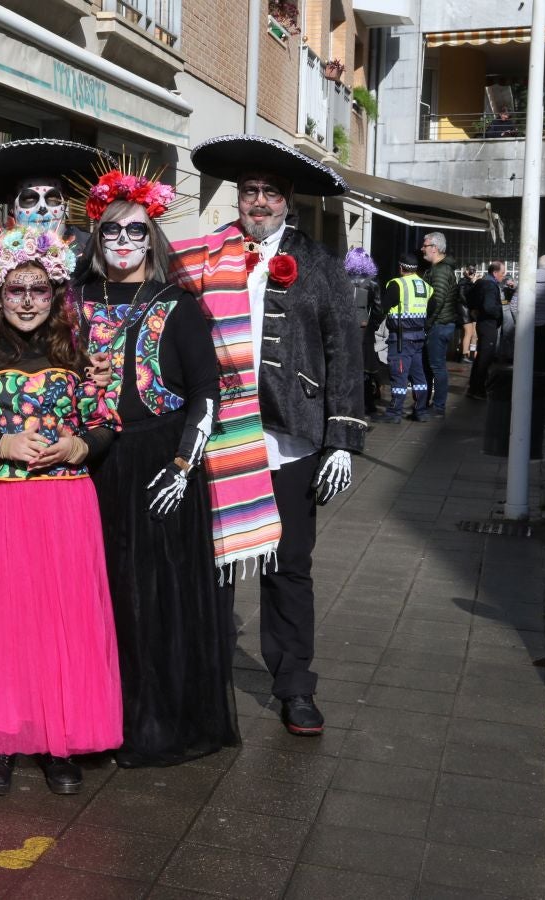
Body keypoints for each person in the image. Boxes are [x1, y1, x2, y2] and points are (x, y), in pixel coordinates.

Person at [175, 134, 366, 737]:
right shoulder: (207, 257)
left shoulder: (321, 265)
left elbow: (344, 352)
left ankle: (294, 686)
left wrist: (341, 438)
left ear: (288, 201)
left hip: (292, 437)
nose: (259, 202)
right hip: (221, 434)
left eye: (270, 193)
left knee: (289, 564)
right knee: (214, 562)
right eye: (250, 191)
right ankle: (201, 673)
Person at [0, 226, 121, 796]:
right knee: (3, 622)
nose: (27, 301)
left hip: (66, 500)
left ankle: (56, 742)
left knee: (65, 619)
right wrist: (1, 446)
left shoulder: (76, 352)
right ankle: (2, 742)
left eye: (39, 289)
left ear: (55, 293)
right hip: (0, 503)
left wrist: (79, 446)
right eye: (16, 289)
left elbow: (106, 423)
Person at [74, 169, 237, 767]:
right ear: (95, 237)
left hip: (157, 461)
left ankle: (156, 720)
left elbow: (206, 393)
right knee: (97, 591)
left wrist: (181, 465)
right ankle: (96, 719)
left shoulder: (180, 306)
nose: (121, 240)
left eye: (134, 230)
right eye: (110, 230)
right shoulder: (71, 302)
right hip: (86, 460)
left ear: (152, 237)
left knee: (155, 596)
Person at [0, 138, 113, 275]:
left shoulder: (92, 249)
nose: (42, 208)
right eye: (30, 199)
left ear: (66, 202)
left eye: (52, 198)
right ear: (12, 205)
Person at [375, 253, 433, 424]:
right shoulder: (425, 286)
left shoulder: (397, 284)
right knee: (419, 376)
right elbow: (433, 306)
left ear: (401, 268)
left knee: (399, 375)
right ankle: (421, 411)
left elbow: (383, 308)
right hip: (419, 336)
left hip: (401, 338)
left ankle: (394, 413)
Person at [420, 232, 461, 416]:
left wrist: (427, 323)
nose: (422, 248)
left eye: (425, 245)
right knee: (432, 366)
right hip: (440, 323)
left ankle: (438, 407)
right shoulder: (438, 269)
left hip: (439, 324)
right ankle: (431, 404)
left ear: (435, 248)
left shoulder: (441, 270)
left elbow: (437, 300)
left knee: (437, 366)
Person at [345, 247, 389, 415]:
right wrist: (373, 325)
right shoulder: (372, 283)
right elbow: (378, 309)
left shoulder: (342, 280)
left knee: (346, 365)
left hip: (345, 327)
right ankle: (367, 404)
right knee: (365, 367)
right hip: (364, 327)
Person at [468, 261, 505, 398]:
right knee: (485, 358)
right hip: (488, 324)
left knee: (481, 357)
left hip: (483, 323)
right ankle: (478, 389)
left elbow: (470, 296)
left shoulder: (482, 282)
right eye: (502, 274)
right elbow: (489, 306)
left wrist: (474, 309)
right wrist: (499, 311)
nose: (503, 276)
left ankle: (474, 387)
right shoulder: (489, 284)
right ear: (495, 273)